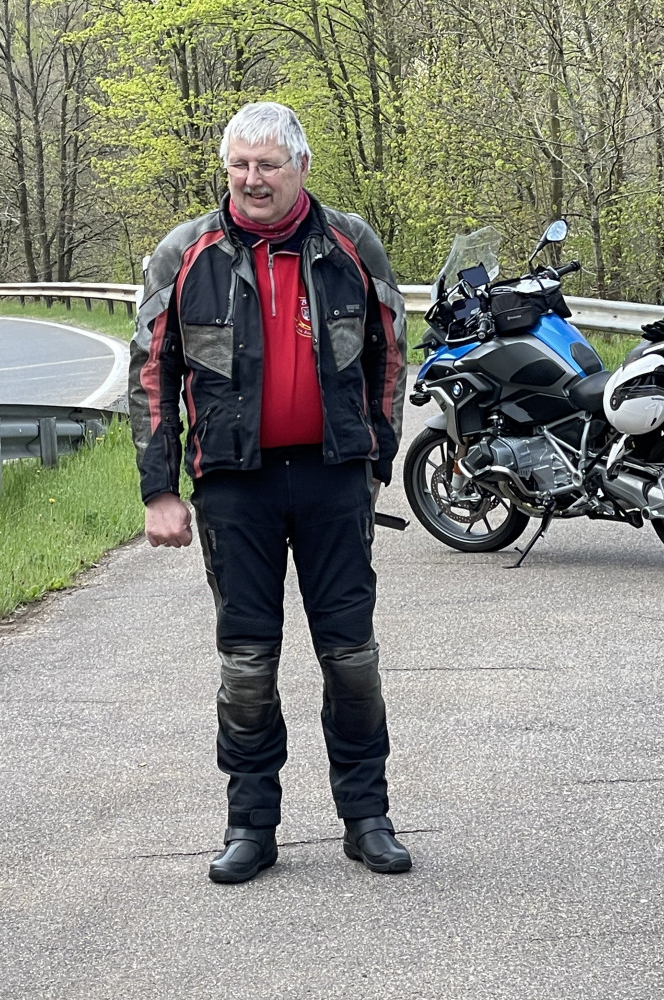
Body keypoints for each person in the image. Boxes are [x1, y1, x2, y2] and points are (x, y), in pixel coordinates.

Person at [127, 102, 410, 884]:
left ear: (301, 168)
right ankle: (250, 825)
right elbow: (150, 374)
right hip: (234, 486)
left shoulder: (351, 244)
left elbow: (389, 355)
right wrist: (159, 490)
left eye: (268, 165)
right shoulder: (184, 252)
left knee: (350, 658)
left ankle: (367, 818)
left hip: (333, 478)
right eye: (240, 165)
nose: (252, 180)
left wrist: (376, 461)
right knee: (247, 664)